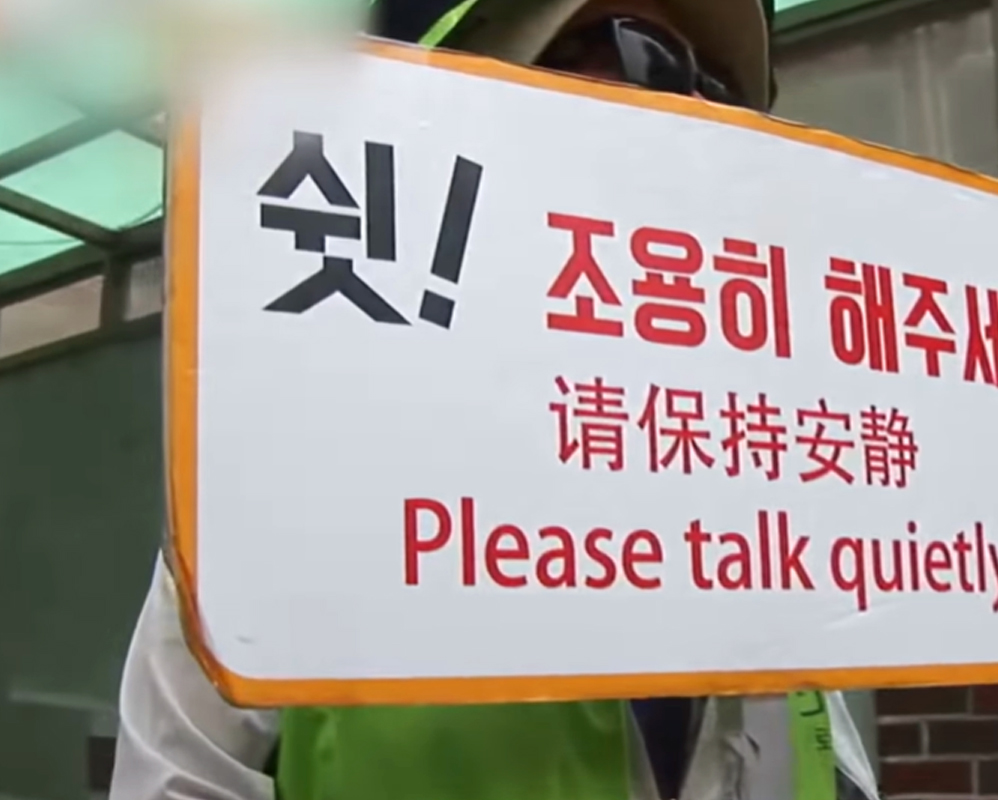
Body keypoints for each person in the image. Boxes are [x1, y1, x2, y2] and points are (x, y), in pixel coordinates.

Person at [111, 1, 881, 798]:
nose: (693, 106)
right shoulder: (281, 508)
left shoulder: (773, 511)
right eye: (641, 53)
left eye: (718, 88)